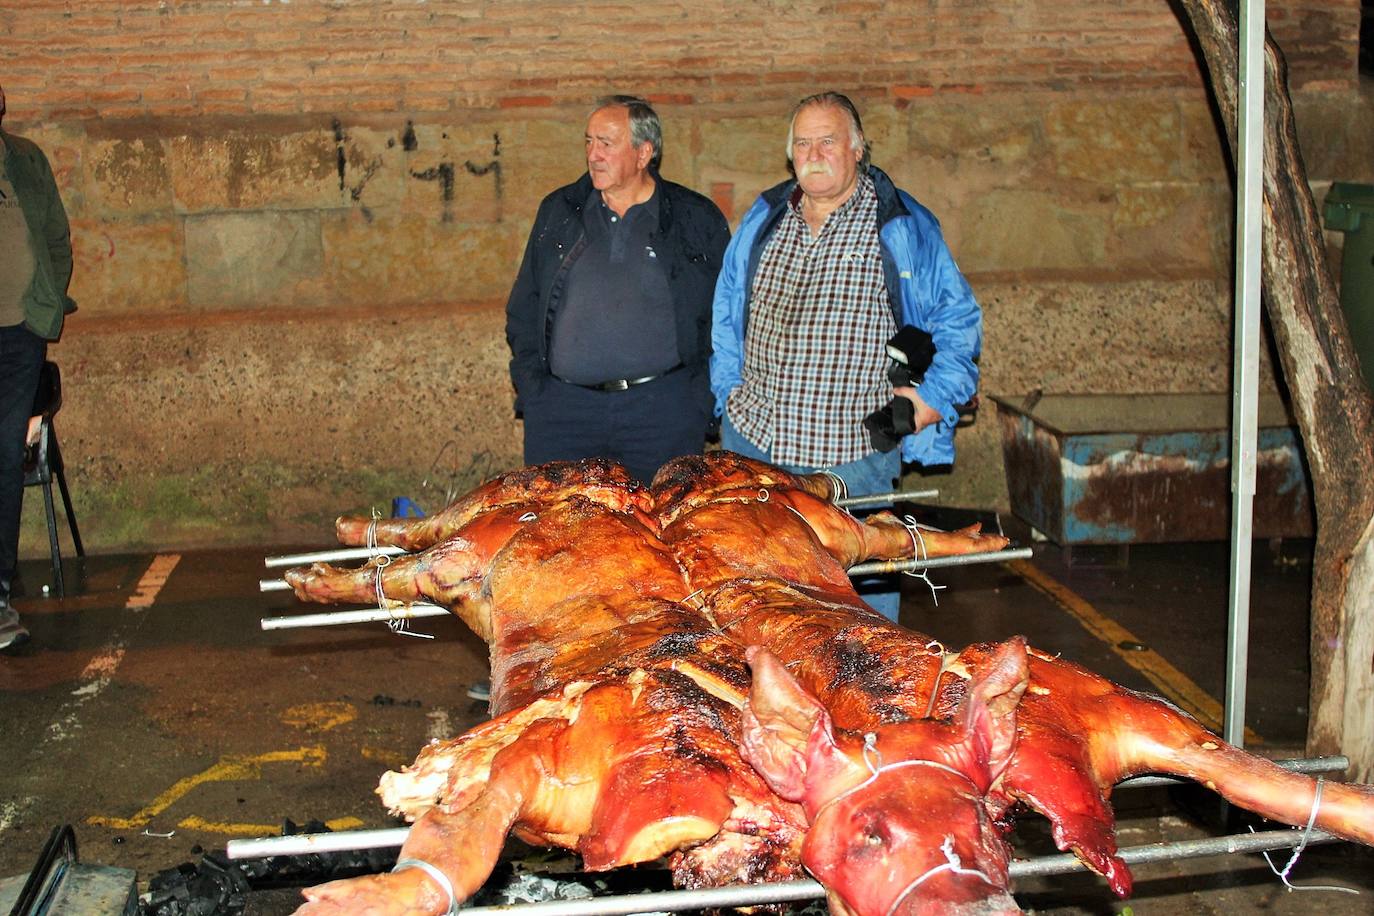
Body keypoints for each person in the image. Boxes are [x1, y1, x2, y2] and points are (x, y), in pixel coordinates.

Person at [710, 91, 981, 623]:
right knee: (757, 605)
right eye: (803, 142)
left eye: (828, 141)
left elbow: (959, 322)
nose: (814, 153)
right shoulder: (764, 217)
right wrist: (727, 395)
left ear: (858, 149)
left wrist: (932, 400)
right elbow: (725, 314)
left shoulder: (901, 225)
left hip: (851, 458)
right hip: (756, 447)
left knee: (857, 617)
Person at [505, 95, 730, 487]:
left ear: (644, 152)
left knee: (660, 530)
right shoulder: (560, 211)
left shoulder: (693, 218)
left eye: (607, 144)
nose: (594, 154)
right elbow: (524, 307)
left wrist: (700, 400)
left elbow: (723, 313)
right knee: (561, 534)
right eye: (589, 142)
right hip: (564, 413)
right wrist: (535, 392)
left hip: (662, 413)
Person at [0, 81, 77, 652]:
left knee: (4, 458)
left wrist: (43, 309)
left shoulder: (24, 160)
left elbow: (55, 237)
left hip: (15, 337)